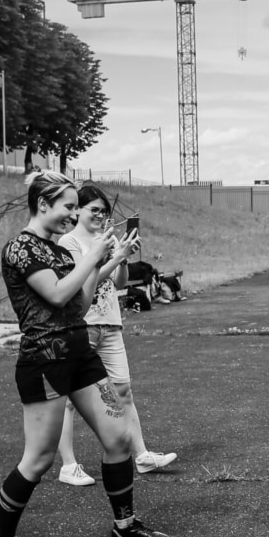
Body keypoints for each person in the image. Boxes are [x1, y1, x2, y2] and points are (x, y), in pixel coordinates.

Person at [0, 171, 170, 537]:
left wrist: (107, 261)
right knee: (39, 458)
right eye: (68, 207)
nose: (73, 215)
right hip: (44, 360)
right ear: (43, 205)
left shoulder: (57, 251)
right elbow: (55, 294)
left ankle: (125, 524)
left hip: (80, 354)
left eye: (76, 207)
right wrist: (91, 257)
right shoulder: (20, 249)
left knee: (119, 437)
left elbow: (79, 303)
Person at [55, 184, 178, 486]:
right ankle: (68, 465)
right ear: (78, 210)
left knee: (124, 391)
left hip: (110, 324)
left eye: (104, 211)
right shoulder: (68, 242)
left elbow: (119, 282)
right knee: (69, 400)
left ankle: (142, 456)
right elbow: (84, 282)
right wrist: (113, 255)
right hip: (82, 325)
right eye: (94, 210)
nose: (100, 215)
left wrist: (122, 257)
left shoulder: (105, 239)